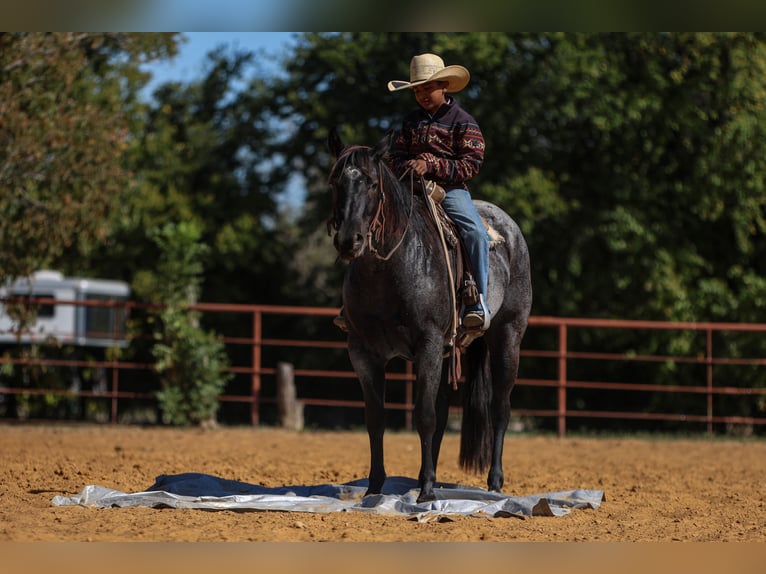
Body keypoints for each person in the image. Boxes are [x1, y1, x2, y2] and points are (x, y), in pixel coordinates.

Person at [387, 53, 491, 330]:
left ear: (444, 85)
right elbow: (393, 156)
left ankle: (477, 300)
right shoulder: (409, 122)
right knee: (373, 220)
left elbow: (472, 164)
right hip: (409, 189)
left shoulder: (464, 122)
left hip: (450, 191)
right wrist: (406, 165)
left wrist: (430, 163)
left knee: (475, 233)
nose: (422, 94)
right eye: (417, 90)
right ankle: (362, 302)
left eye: (427, 87)